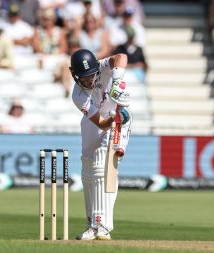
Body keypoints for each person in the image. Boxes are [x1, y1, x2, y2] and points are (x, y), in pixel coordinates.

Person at [69, 49, 132, 240]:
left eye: (90, 76)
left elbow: (121, 57)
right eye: (83, 78)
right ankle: (91, 224)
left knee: (103, 167)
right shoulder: (78, 95)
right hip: (102, 121)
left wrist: (116, 81)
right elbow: (102, 124)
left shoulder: (104, 66)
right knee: (88, 169)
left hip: (120, 120)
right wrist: (113, 117)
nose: (88, 81)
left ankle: (102, 225)